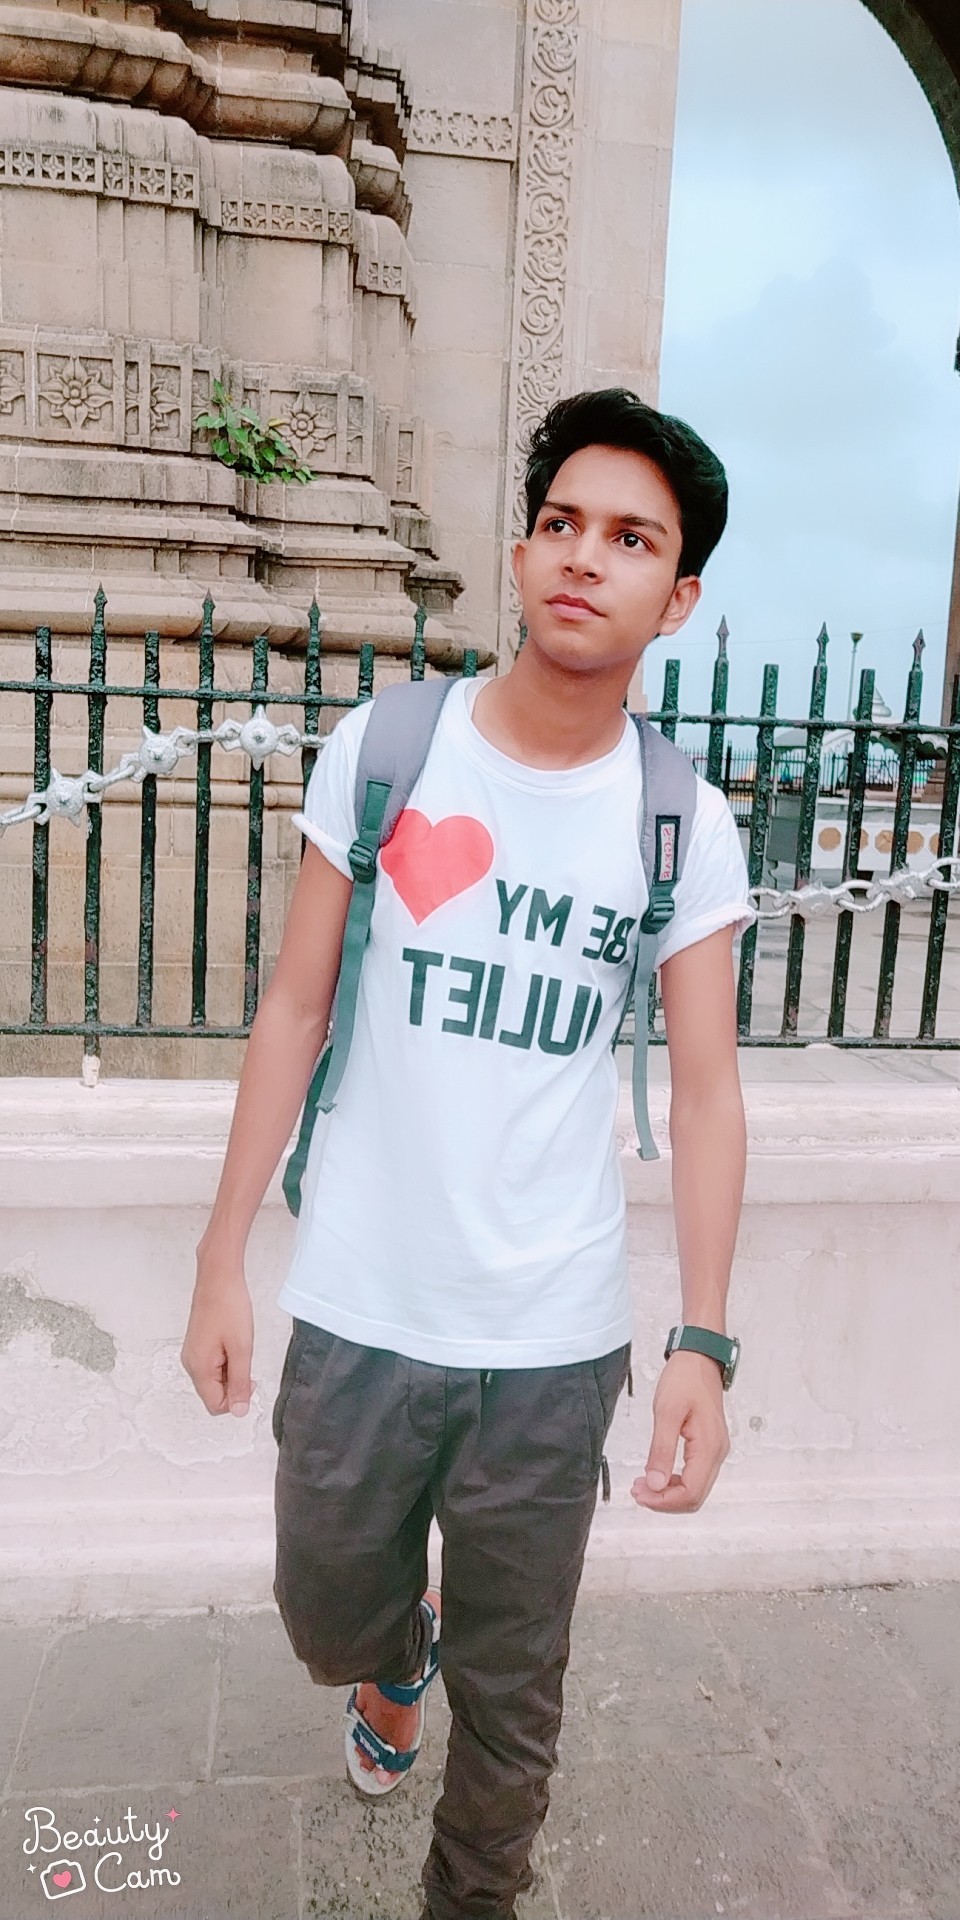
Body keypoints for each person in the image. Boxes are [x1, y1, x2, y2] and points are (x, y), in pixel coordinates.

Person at [181, 387, 755, 1920]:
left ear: (677, 597)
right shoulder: (389, 749)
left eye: (630, 538)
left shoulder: (679, 824)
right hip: (360, 1307)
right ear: (520, 550)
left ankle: (471, 1896)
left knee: (520, 1697)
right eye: (560, 523)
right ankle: (394, 1655)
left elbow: (709, 1095)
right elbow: (295, 1005)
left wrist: (702, 1340)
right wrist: (221, 1256)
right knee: (323, 1614)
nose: (584, 557)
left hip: (551, 1341)